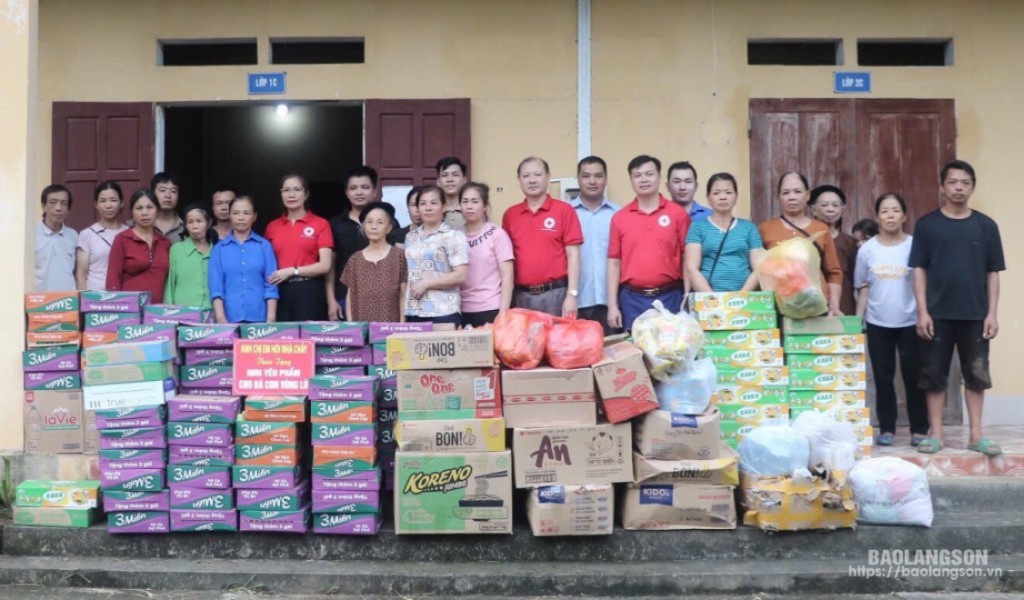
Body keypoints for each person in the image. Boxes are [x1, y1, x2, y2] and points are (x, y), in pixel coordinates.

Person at [910, 160, 1005, 456]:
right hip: (937, 315)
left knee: (976, 375)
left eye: (965, 182)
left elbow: (993, 272)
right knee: (934, 375)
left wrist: (992, 313)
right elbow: (919, 270)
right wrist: (922, 311)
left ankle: (976, 435)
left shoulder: (986, 226)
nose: (959, 188)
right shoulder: (927, 225)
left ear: (972, 187)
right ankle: (935, 434)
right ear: (942, 186)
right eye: (953, 182)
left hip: (976, 315)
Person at [855, 193, 927, 447]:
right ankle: (887, 428)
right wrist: (859, 320)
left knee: (914, 376)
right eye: (884, 211)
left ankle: (920, 428)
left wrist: (923, 313)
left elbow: (924, 282)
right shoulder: (867, 250)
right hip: (877, 323)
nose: (890, 215)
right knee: (883, 377)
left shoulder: (914, 245)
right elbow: (862, 285)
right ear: (877, 217)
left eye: (895, 210)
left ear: (905, 216)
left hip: (910, 321)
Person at [608, 155, 690, 330]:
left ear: (659, 178)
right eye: (637, 175)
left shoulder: (678, 214)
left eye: (649, 174)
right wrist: (612, 305)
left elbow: (687, 258)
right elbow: (614, 263)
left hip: (671, 296)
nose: (643, 179)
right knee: (636, 353)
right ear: (631, 180)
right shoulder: (619, 218)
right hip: (632, 299)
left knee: (673, 351)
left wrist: (688, 294)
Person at [502, 156, 583, 317]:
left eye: (537, 175)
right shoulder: (511, 215)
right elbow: (506, 260)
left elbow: (573, 255)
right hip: (521, 296)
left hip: (556, 295)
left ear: (548, 176)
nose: (532, 180)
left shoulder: (564, 211)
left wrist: (572, 295)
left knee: (558, 341)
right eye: (526, 176)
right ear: (519, 180)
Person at [757, 171, 844, 316]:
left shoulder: (821, 229)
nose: (792, 197)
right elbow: (759, 271)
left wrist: (834, 305)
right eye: (785, 193)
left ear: (807, 195)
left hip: (816, 306)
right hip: (779, 308)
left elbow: (833, 272)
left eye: (797, 192)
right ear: (779, 196)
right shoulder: (766, 229)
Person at [263, 173, 334, 321]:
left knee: (308, 340)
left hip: (309, 289)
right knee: (283, 340)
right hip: (279, 290)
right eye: (286, 190)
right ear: (281, 194)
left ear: (306, 194)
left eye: (297, 189)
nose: (291, 194)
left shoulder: (320, 224)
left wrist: (293, 271)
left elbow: (325, 265)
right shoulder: (272, 226)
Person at [684, 173, 763, 292]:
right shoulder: (697, 227)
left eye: (728, 192)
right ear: (708, 198)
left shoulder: (749, 228)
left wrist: (741, 296)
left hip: (744, 300)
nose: (723, 197)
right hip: (708, 301)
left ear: (736, 196)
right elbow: (691, 268)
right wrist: (713, 299)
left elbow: (759, 268)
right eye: (716, 193)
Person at [404, 186, 469, 324]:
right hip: (413, 310)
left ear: (444, 207)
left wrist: (426, 284)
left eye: (434, 203)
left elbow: (461, 275)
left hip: (443, 311)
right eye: (423, 203)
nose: (428, 208)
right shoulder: (410, 237)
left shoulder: (453, 236)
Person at [209, 195, 278, 323]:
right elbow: (216, 288)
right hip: (229, 319)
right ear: (229, 216)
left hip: (260, 318)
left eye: (246, 213)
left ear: (254, 216)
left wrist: (271, 319)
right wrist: (221, 318)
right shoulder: (219, 249)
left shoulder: (264, 246)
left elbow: (271, 285)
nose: (241, 218)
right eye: (235, 213)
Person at [571, 156, 620, 334]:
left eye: (598, 176)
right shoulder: (566, 214)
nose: (592, 181)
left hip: (612, 303)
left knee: (614, 358)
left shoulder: (619, 214)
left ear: (606, 179)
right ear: (578, 179)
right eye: (586, 176)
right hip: (577, 302)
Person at [340, 202, 407, 323]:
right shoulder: (355, 259)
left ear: (389, 228)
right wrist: (352, 324)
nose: (374, 226)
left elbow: (403, 294)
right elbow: (350, 296)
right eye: (369, 222)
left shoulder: (399, 256)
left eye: (380, 222)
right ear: (364, 227)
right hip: (362, 324)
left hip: (391, 324)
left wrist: (402, 324)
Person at [459, 182, 514, 327]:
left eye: (475, 201)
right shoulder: (455, 236)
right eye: (465, 201)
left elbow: (507, 276)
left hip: (490, 307)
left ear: (484, 206)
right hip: (461, 309)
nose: (469, 206)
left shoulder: (497, 234)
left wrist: (503, 313)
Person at [328, 165, 378, 320]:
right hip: (343, 296)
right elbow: (330, 266)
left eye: (365, 187)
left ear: (374, 191)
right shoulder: (335, 224)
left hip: (380, 297)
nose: (359, 192)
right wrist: (331, 301)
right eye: (353, 188)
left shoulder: (389, 224)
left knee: (379, 344)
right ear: (347, 193)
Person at [106, 189, 171, 302]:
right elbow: (113, 279)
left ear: (157, 211)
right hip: (129, 310)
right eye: (139, 208)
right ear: (132, 212)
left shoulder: (164, 242)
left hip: (158, 311)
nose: (145, 213)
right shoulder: (122, 239)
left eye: (149, 207)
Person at [810, 184, 858, 315]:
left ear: (842, 210)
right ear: (813, 210)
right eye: (824, 205)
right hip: (812, 305)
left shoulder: (849, 242)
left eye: (835, 205)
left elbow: (856, 278)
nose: (830, 209)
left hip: (843, 306)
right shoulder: (806, 240)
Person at [76, 181, 128, 291]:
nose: (108, 205)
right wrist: (84, 299)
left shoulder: (128, 233)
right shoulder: (87, 234)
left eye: (113, 200)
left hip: (123, 298)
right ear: (96, 205)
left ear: (121, 203)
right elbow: (81, 273)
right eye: (103, 201)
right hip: (94, 299)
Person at [164, 203, 215, 308]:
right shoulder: (177, 249)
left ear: (209, 223)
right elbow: (170, 284)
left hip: (210, 312)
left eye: (199, 221)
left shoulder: (216, 250)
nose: (195, 226)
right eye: (190, 222)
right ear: (185, 225)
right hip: (183, 312)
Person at [35, 184, 79, 292]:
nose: (58, 208)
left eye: (63, 203)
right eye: (53, 202)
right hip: (39, 301)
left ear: (68, 209)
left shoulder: (73, 236)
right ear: (43, 206)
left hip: (68, 301)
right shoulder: (31, 234)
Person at [150, 172, 185, 243]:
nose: (168, 195)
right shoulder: (139, 224)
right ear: (152, 193)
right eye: (162, 190)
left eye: (173, 191)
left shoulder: (186, 227)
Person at [436, 156, 468, 229]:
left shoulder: (471, 208)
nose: (450, 179)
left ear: (464, 180)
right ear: (438, 182)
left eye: (455, 175)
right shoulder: (432, 210)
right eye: (444, 175)